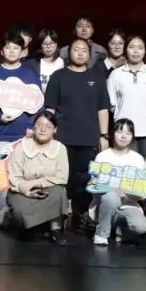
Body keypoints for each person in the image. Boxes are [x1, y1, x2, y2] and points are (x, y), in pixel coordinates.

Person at [43, 38, 111, 232]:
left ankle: (81, 214)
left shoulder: (96, 78)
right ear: (68, 52)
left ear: (89, 55)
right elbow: (50, 109)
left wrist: (104, 136)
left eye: (84, 50)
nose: (80, 53)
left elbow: (103, 109)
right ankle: (60, 216)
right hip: (62, 138)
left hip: (88, 138)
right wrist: (49, 135)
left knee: (85, 180)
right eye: (76, 49)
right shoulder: (58, 77)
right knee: (62, 178)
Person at [0, 31, 43, 226]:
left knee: (24, 176)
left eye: (16, 48)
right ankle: (2, 216)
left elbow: (38, 103)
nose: (12, 51)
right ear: (2, 51)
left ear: (22, 51)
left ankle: (23, 216)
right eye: (8, 47)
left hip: (24, 135)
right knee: (1, 179)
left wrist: (31, 126)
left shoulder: (29, 74)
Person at [6, 111, 69, 245]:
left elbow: (62, 177)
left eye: (48, 126)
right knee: (19, 210)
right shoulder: (22, 147)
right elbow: (13, 175)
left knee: (59, 191)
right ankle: (30, 227)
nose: (43, 129)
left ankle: (55, 229)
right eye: (39, 125)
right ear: (33, 127)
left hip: (49, 189)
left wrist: (36, 183)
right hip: (23, 190)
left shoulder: (60, 148)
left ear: (55, 130)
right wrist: (25, 190)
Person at [91, 119, 146, 245]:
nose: (123, 136)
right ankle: (101, 234)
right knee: (111, 197)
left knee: (141, 227)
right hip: (105, 204)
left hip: (129, 204)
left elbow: (142, 191)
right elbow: (93, 184)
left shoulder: (138, 159)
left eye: (128, 133)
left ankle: (120, 232)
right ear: (113, 134)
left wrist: (126, 195)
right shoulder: (102, 156)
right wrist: (103, 187)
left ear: (132, 137)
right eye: (120, 132)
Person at [107, 35, 146, 157]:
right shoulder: (116, 74)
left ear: (144, 51)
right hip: (124, 131)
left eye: (140, 47)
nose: (136, 51)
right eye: (131, 47)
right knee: (126, 166)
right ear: (126, 50)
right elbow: (112, 105)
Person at [31, 27, 64, 94]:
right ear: (41, 45)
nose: (48, 47)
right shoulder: (34, 64)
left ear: (56, 44)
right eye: (45, 43)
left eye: (51, 43)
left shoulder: (64, 63)